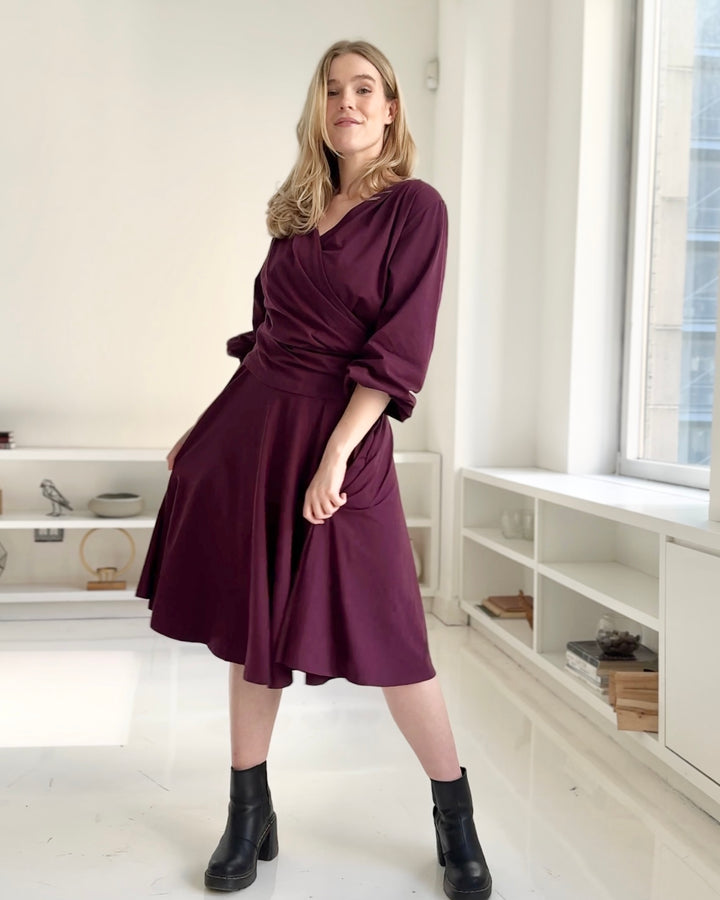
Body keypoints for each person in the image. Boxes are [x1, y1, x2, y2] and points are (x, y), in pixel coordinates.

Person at [135, 39, 492, 900]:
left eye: (364, 89)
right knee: (252, 630)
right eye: (333, 90)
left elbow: (402, 346)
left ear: (392, 108)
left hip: (345, 437)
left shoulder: (416, 208)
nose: (347, 103)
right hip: (257, 429)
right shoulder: (295, 214)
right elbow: (266, 340)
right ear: (319, 110)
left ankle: (455, 818)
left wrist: (338, 450)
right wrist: (202, 428)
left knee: (395, 638)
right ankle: (247, 812)